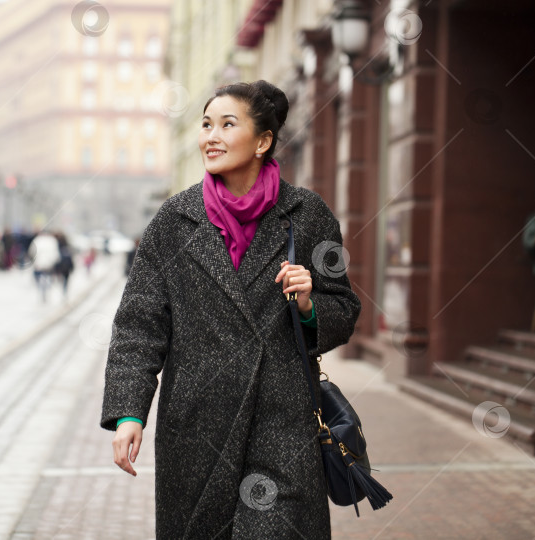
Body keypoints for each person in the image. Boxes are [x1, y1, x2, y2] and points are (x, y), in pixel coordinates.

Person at [100, 80, 361, 538]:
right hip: (196, 429)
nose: (211, 136)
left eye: (227, 124)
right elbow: (139, 325)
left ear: (263, 141)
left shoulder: (307, 214)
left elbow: (343, 309)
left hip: (282, 429)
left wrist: (308, 304)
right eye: (205, 125)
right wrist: (129, 413)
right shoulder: (174, 221)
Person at [29, 230, 60, 302]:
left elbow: (31, 252)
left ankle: (42, 293)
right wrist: (53, 262)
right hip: (49, 265)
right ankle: (46, 293)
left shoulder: (37, 240)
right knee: (48, 279)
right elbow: (56, 254)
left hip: (39, 264)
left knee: (40, 279)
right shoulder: (52, 241)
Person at [54, 232, 74, 296]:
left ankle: (62, 290)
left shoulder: (55, 245)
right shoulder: (66, 246)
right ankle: (64, 290)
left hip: (60, 265)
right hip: (66, 266)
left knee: (61, 278)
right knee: (65, 279)